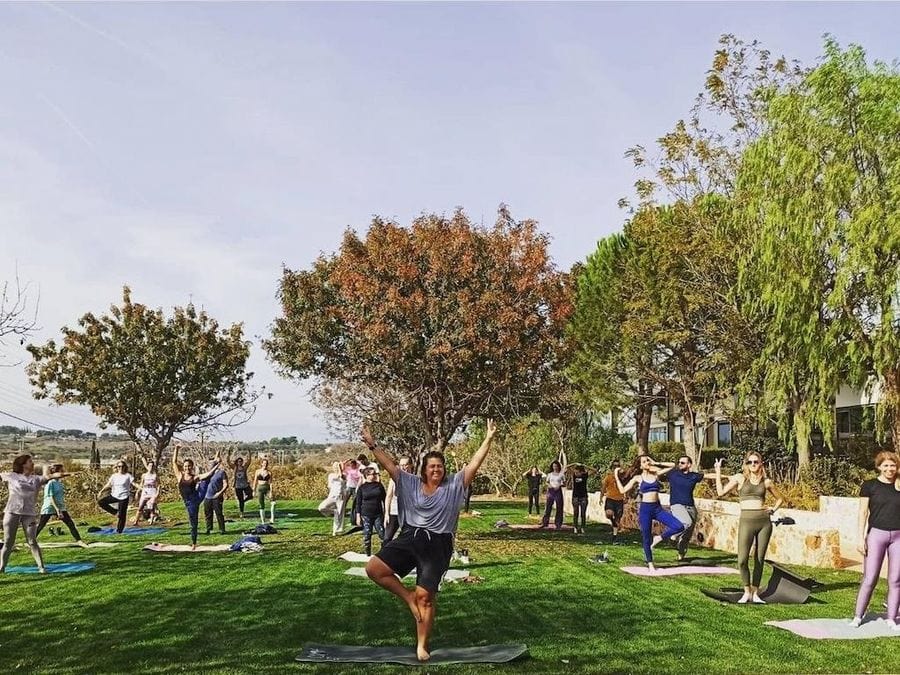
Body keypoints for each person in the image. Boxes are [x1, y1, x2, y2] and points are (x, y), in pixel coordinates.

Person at [363, 419, 497, 662]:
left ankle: (422, 645)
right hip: (410, 537)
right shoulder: (409, 482)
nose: (437, 470)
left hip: (438, 544)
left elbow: (475, 464)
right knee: (374, 568)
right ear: (424, 469)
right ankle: (408, 597)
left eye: (440, 466)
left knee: (426, 596)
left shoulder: (455, 485)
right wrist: (373, 445)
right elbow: (390, 466)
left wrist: (487, 439)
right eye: (432, 466)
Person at [715, 452, 784, 603]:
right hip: (746, 521)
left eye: (756, 462)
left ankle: (755, 593)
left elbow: (780, 499)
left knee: (759, 559)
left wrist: (773, 509)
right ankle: (746, 591)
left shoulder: (767, 482)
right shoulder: (741, 478)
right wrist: (718, 471)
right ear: (746, 464)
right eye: (750, 462)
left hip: (764, 522)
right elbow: (720, 492)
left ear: (761, 463)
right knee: (742, 559)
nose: (753, 464)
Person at [850, 451, 900, 628]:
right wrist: (860, 537)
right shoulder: (870, 486)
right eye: (885, 465)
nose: (889, 469)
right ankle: (858, 616)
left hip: (898, 538)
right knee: (870, 578)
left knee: (895, 580)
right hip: (876, 535)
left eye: (893, 465)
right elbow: (863, 513)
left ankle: (892, 618)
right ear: (879, 466)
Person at [1, 455, 73, 573]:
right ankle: (2, 567)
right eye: (30, 461)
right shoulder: (11, 476)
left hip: (29, 514)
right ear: (23, 464)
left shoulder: (36, 479)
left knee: (32, 541)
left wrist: (68, 474)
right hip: (12, 512)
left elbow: (52, 475)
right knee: (9, 542)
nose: (33, 463)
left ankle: (41, 567)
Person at [615, 455, 685, 570]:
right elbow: (622, 490)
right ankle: (650, 563)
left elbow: (673, 465)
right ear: (641, 466)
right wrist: (617, 477)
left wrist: (656, 462)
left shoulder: (656, 475)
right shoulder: (638, 478)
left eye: (648, 460)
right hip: (645, 510)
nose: (647, 462)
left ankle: (658, 538)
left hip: (657, 509)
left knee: (679, 526)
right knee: (646, 537)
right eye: (644, 461)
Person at [661, 455, 717, 560]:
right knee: (687, 522)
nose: (680, 464)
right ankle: (673, 536)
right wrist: (652, 463)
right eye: (679, 462)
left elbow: (709, 476)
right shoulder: (673, 474)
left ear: (689, 465)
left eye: (682, 463)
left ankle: (681, 554)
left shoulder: (693, 476)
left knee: (687, 534)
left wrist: (723, 475)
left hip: (691, 507)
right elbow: (658, 471)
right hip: (677, 505)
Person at [172, 445, 218, 550]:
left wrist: (216, 466)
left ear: (191, 467)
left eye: (189, 466)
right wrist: (176, 449)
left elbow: (208, 474)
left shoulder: (194, 477)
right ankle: (194, 541)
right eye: (185, 466)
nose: (187, 468)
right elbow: (174, 462)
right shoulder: (180, 475)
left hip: (196, 498)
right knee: (193, 521)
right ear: (183, 467)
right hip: (187, 501)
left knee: (193, 521)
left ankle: (193, 543)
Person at [36, 462, 87, 546]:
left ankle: (79, 541)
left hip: (60, 507)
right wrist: (57, 510)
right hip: (49, 507)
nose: (63, 471)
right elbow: (50, 498)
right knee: (41, 525)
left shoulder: (59, 483)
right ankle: (31, 541)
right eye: (62, 469)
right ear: (58, 471)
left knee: (70, 524)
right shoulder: (50, 482)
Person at [356, 466, 387, 555]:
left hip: (378, 514)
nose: (374, 476)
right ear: (367, 475)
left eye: (375, 474)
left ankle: (383, 554)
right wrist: (358, 516)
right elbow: (358, 502)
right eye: (372, 474)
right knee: (367, 535)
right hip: (366, 514)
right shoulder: (362, 488)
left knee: (382, 534)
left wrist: (386, 512)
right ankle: (368, 554)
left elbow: (385, 499)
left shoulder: (379, 486)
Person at [97, 460, 134, 534]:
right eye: (119, 466)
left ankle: (119, 531)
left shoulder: (128, 476)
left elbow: (134, 483)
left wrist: (141, 488)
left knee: (122, 515)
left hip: (124, 496)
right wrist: (101, 491)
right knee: (101, 502)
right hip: (114, 495)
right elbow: (108, 484)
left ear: (125, 467)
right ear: (117, 467)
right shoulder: (114, 476)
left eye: (122, 466)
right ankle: (115, 512)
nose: (121, 468)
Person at [384, 456, 413, 542]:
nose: (403, 467)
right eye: (401, 465)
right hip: (394, 512)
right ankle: (384, 554)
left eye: (405, 465)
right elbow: (389, 496)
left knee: (407, 538)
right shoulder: (394, 479)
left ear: (411, 465)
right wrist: (386, 513)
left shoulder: (414, 480)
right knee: (387, 538)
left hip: (407, 514)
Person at [318, 461, 347, 536]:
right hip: (332, 496)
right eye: (334, 467)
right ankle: (334, 511)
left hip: (341, 496)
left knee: (340, 515)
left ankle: (337, 531)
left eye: (337, 467)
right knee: (321, 507)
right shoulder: (331, 475)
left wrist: (340, 468)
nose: (336, 468)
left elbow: (341, 477)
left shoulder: (344, 475)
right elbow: (330, 486)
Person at [203, 455, 229, 535]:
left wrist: (219, 493)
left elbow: (226, 484)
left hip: (216, 497)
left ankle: (222, 529)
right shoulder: (207, 473)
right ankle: (209, 529)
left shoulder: (221, 472)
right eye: (209, 463)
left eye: (211, 463)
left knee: (219, 513)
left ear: (215, 464)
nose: (209, 465)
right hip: (207, 497)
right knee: (208, 514)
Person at [132, 457, 161, 526]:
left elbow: (159, 485)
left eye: (152, 466)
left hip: (152, 492)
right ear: (147, 467)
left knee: (151, 507)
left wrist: (158, 493)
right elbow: (141, 484)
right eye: (150, 466)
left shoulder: (155, 476)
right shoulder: (144, 475)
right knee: (140, 507)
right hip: (145, 492)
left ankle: (151, 521)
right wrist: (138, 491)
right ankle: (136, 521)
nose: (151, 467)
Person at [568, 463, 595, 535]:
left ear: (581, 471)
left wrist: (585, 465)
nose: (576, 473)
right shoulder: (573, 476)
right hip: (575, 497)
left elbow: (594, 470)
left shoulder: (585, 476)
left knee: (583, 513)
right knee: (575, 513)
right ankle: (575, 527)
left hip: (583, 497)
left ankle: (583, 527)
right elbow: (566, 467)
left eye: (577, 472)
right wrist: (574, 463)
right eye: (575, 472)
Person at [602, 460, 625, 542]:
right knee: (609, 514)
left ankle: (615, 535)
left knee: (618, 518)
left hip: (620, 500)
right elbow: (603, 487)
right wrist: (601, 497)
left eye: (618, 466)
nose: (616, 467)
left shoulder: (623, 478)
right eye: (614, 466)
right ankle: (612, 521)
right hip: (610, 498)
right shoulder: (608, 477)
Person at [540, 459, 567, 529]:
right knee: (548, 507)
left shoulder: (561, 475)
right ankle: (545, 523)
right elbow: (547, 482)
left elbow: (564, 483)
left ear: (558, 467)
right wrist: (549, 485)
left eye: (556, 466)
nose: (555, 467)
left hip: (558, 491)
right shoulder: (549, 474)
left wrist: (559, 485)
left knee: (559, 507)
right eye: (553, 466)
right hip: (551, 491)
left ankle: (558, 524)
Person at [228, 451, 253, 519]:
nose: (240, 462)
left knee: (251, 495)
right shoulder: (235, 468)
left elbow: (249, 462)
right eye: (239, 461)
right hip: (238, 486)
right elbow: (228, 462)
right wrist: (228, 454)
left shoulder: (244, 468)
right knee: (240, 499)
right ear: (237, 462)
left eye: (241, 461)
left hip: (245, 485)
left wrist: (249, 454)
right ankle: (241, 513)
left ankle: (243, 501)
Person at [252, 457, 274, 524]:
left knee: (273, 503)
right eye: (264, 463)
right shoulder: (257, 471)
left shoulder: (269, 473)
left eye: (266, 463)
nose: (265, 465)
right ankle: (263, 521)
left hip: (266, 488)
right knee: (261, 505)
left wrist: (271, 492)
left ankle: (272, 518)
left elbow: (271, 483)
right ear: (261, 464)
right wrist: (254, 490)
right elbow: (255, 481)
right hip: (260, 488)